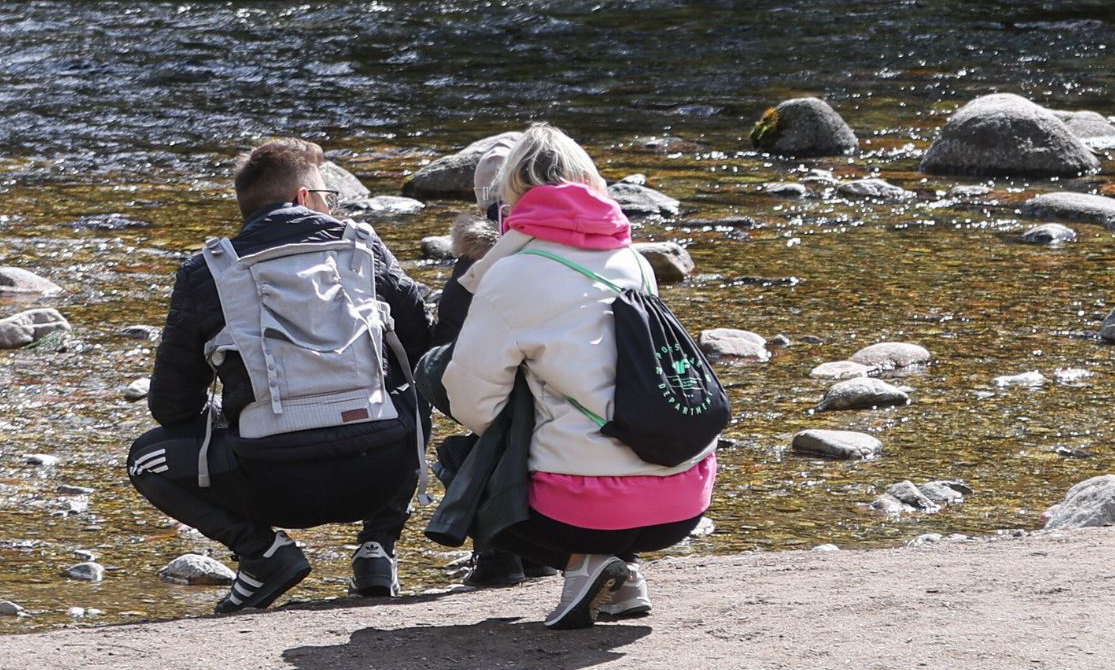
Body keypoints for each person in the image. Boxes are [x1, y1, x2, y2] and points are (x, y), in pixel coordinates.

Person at [127, 138, 432, 613]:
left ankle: (264, 554)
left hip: (273, 482)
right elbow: (422, 342)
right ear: (303, 199)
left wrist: (237, 408)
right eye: (329, 196)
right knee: (413, 385)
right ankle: (378, 546)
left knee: (146, 458)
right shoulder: (360, 246)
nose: (333, 206)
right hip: (380, 470)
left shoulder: (205, 272)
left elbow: (171, 406)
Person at [440, 123, 717, 629]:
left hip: (584, 509)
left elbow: (471, 404)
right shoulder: (633, 258)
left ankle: (584, 560)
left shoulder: (509, 273)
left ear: (511, 194)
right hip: (684, 498)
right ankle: (622, 573)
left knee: (464, 455)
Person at [430, 133, 556, 587]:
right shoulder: (585, 247)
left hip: (504, 400)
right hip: (576, 401)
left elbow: (450, 349)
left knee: (478, 425)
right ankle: (535, 554)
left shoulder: (476, 265)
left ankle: (498, 554)